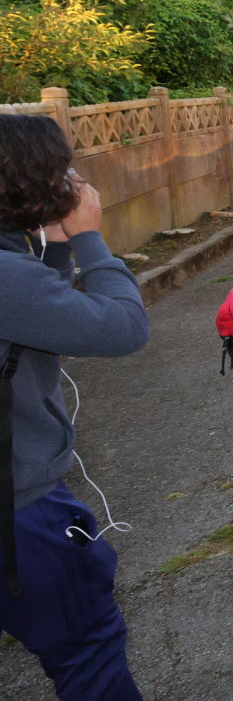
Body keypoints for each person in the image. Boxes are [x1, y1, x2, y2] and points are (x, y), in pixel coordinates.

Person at [0, 114, 150, 700]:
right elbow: (124, 329)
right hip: (20, 511)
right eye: (64, 166)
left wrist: (55, 251)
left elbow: (41, 319)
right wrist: (89, 239)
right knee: (90, 652)